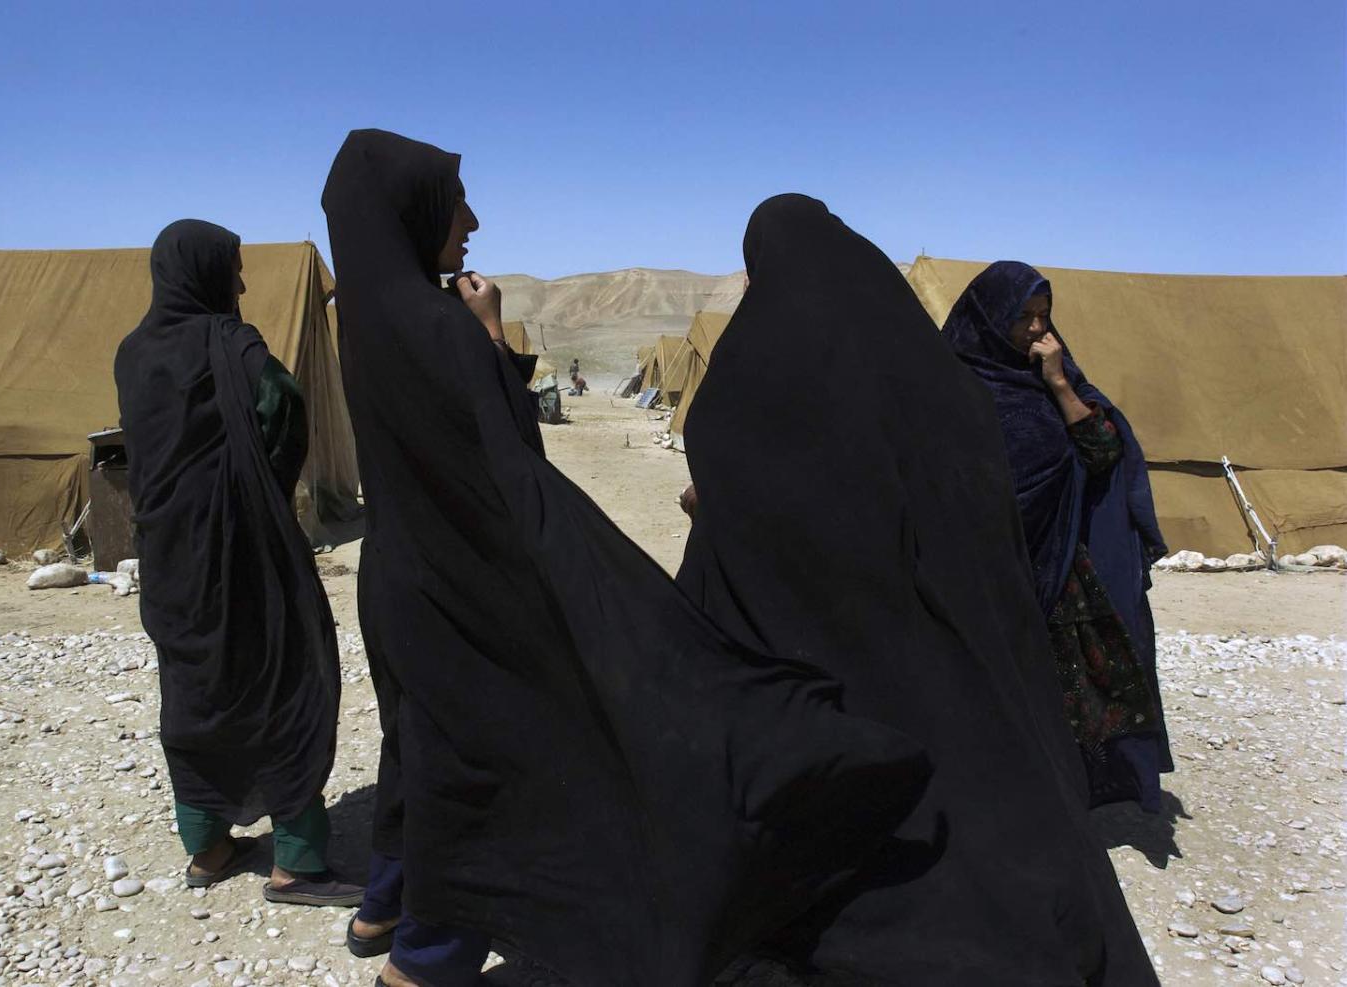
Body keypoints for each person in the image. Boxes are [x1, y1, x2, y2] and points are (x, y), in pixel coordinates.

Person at [322, 130, 931, 987]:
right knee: (492, 757)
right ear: (412, 209)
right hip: (472, 579)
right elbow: (508, 457)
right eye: (454, 201)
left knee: (420, 739)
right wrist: (493, 339)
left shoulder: (369, 313)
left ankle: (382, 904)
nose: (472, 219)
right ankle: (425, 959)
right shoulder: (438, 325)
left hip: (400, 578)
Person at [676, 195, 1158, 985]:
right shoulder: (941, 382)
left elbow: (743, 491)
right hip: (940, 663)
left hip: (807, 680)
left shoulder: (753, 369)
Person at [114, 220, 361, 907]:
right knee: (282, 685)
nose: (243, 282)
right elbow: (284, 403)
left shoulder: (132, 352)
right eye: (235, 268)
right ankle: (298, 862)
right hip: (243, 555)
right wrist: (268, 486)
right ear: (208, 272)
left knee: (192, 694)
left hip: (168, 558)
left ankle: (209, 844)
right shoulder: (233, 342)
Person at [942, 261, 1172, 813]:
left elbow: (1102, 453)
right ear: (992, 317)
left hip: (1061, 567)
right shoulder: (951, 382)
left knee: (1073, 695)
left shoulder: (1056, 375)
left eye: (1044, 317)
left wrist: (1061, 385)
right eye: (1024, 317)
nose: (1036, 330)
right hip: (988, 570)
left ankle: (1065, 808)